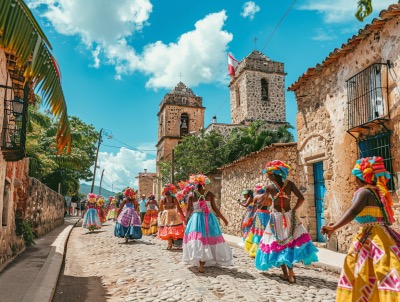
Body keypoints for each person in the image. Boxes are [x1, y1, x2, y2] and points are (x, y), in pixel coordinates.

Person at [321, 156, 400, 301]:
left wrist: (335, 227)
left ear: (360, 178)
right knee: (380, 270)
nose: (353, 181)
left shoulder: (364, 192)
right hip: (381, 235)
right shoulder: (376, 192)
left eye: (355, 177)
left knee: (360, 269)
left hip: (370, 237)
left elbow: (353, 211)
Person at [255, 160, 318, 283]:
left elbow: (262, 201)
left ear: (273, 174)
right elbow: (301, 198)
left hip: (276, 218)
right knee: (289, 244)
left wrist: (259, 202)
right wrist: (294, 210)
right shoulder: (290, 184)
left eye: (268, 174)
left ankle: (285, 274)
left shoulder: (269, 187)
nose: (267, 176)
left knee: (278, 245)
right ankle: (291, 272)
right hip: (290, 217)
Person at [183, 174, 233, 273]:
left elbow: (188, 209)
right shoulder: (210, 194)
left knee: (199, 239)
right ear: (204, 183)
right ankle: (204, 261)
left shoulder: (191, 195)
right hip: (209, 219)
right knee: (209, 239)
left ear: (195, 184)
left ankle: (201, 263)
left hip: (196, 219)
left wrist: (185, 219)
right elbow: (215, 208)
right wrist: (223, 219)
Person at [243, 184, 272, 257]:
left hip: (259, 215)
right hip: (267, 214)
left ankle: (256, 251)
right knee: (266, 231)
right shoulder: (269, 198)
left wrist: (252, 216)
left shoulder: (256, 197)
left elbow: (255, 207)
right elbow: (270, 206)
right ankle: (266, 250)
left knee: (258, 232)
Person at [157, 184, 185, 249]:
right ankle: (173, 242)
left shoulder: (163, 200)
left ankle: (169, 244)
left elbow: (160, 208)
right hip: (173, 214)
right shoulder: (174, 199)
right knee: (173, 227)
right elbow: (179, 208)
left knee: (167, 228)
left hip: (166, 214)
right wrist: (182, 215)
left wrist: (158, 214)